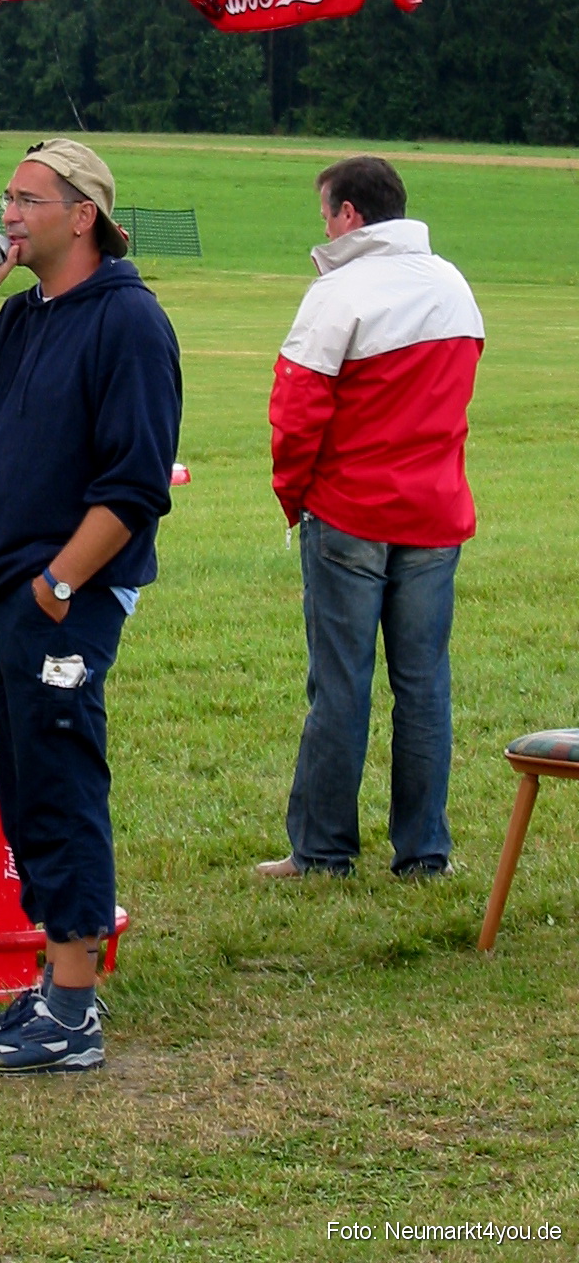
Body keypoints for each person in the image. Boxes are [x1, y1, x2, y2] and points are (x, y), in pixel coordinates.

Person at [0, 138, 181, 1074]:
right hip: (16, 600)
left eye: (29, 200)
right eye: (7, 200)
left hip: (64, 599)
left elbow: (136, 486)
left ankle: (72, 1013)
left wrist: (58, 584)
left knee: (63, 791)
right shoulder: (28, 317)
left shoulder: (130, 324)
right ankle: (52, 988)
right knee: (31, 791)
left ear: (84, 215)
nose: (10, 215)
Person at [258, 156, 484, 881]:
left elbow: (296, 414)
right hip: (435, 511)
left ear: (349, 215)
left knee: (341, 683)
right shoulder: (452, 284)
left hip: (350, 511)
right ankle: (424, 851)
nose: (323, 224)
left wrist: (293, 496)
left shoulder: (338, 293)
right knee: (423, 684)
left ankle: (322, 849)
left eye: (326, 212)